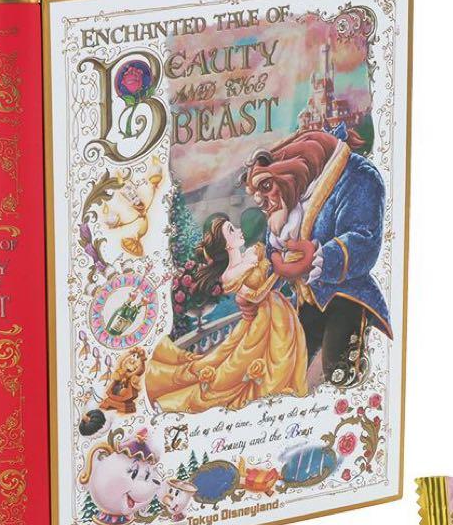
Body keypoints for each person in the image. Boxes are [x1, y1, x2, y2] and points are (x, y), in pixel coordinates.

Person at [238, 130, 391, 386]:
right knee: (287, 374)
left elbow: (365, 240)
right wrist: (255, 290)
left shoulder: (358, 176)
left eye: (265, 188)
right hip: (306, 303)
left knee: (338, 372)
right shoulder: (286, 199)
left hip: (347, 299)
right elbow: (274, 253)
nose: (263, 202)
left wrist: (321, 257)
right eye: (258, 195)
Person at [145, 214, 307, 412]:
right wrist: (279, 273)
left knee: (285, 361)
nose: (238, 230)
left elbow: (274, 270)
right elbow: (256, 296)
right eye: (231, 230)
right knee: (237, 374)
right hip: (260, 324)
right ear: (225, 244)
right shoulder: (229, 275)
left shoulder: (253, 251)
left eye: (234, 226)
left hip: (280, 314)